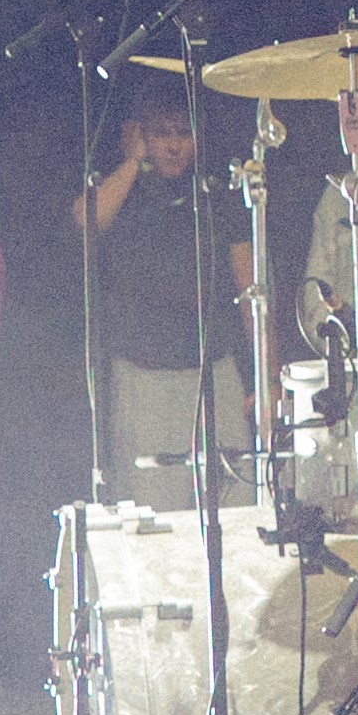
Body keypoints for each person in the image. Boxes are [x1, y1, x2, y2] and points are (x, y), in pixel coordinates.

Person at [75, 81, 252, 486]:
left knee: (232, 490)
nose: (174, 145)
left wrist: (266, 376)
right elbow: (85, 224)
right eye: (162, 133)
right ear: (140, 134)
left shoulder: (217, 195)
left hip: (213, 369)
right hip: (144, 373)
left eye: (183, 133)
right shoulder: (124, 190)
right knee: (153, 495)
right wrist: (133, 161)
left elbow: (251, 289)